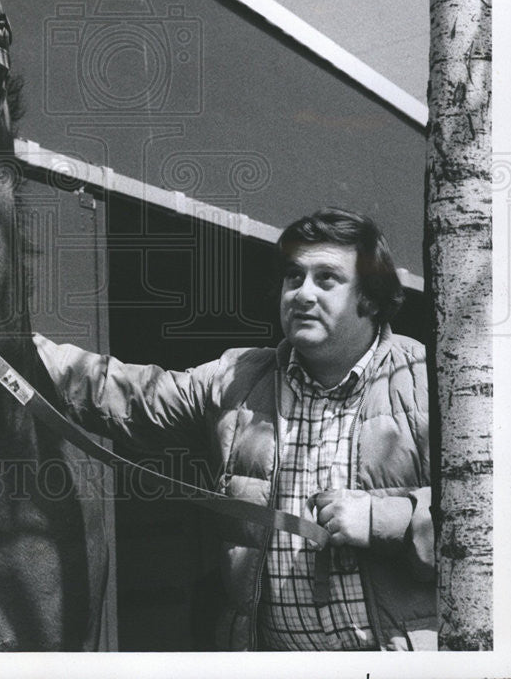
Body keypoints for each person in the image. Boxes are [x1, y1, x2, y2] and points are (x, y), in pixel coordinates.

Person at [34, 208, 436, 651]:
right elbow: (132, 394)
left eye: (326, 279)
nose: (302, 294)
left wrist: (386, 519)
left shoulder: (428, 381)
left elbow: (495, 512)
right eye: (293, 277)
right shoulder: (239, 380)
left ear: (371, 299)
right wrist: (10, 347)